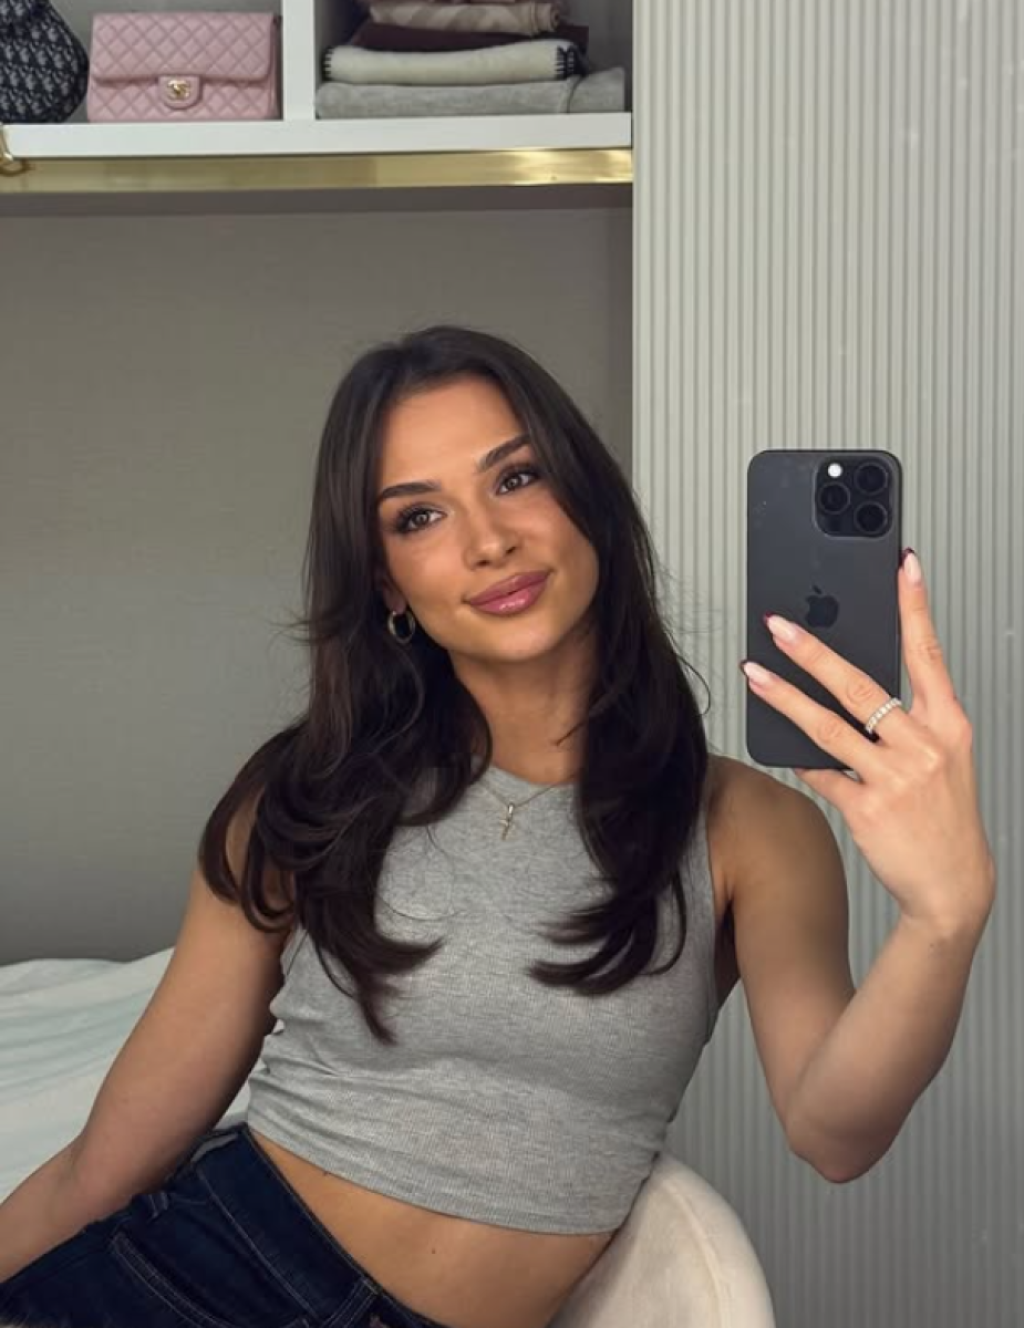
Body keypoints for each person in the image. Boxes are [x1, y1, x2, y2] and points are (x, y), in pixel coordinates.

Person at [0, 325, 995, 1328]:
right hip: (175, 1277)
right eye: (420, 515)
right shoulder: (308, 795)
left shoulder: (748, 826)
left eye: (516, 478)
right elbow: (104, 1166)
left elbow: (834, 1134)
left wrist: (942, 918)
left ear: (588, 497)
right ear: (387, 582)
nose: (487, 541)